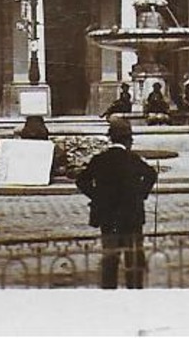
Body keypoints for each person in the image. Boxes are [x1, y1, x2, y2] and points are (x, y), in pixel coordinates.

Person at [75, 116, 159, 289]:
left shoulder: (100, 160)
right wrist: (140, 194)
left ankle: (110, 294)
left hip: (108, 216)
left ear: (111, 138)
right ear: (128, 140)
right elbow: (151, 174)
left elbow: (81, 180)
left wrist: (96, 196)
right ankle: (134, 292)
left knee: (110, 259)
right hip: (131, 216)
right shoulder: (132, 159)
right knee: (133, 259)